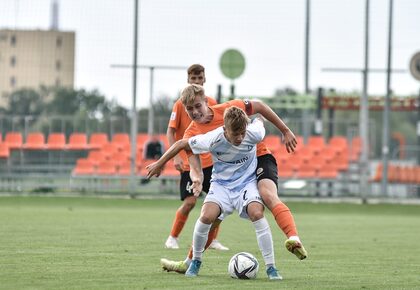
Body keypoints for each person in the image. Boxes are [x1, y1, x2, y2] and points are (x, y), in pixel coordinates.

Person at [148, 84, 307, 274]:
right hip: (227, 174)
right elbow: (191, 159)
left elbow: (260, 107)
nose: (194, 112)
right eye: (189, 109)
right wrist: (196, 177)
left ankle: (293, 239)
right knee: (210, 218)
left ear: (206, 102)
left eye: (197, 106)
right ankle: (190, 261)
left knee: (266, 196)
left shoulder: (231, 110)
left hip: (259, 156)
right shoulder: (194, 133)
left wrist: (285, 130)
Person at [164, 64, 228, 251]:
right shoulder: (180, 104)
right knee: (190, 201)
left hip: (211, 162)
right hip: (189, 161)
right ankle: (173, 237)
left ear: (204, 79)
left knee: (218, 203)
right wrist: (175, 157)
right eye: (193, 79)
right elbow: (171, 131)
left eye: (199, 78)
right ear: (188, 80)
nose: (196, 81)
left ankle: (213, 239)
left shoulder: (211, 101)